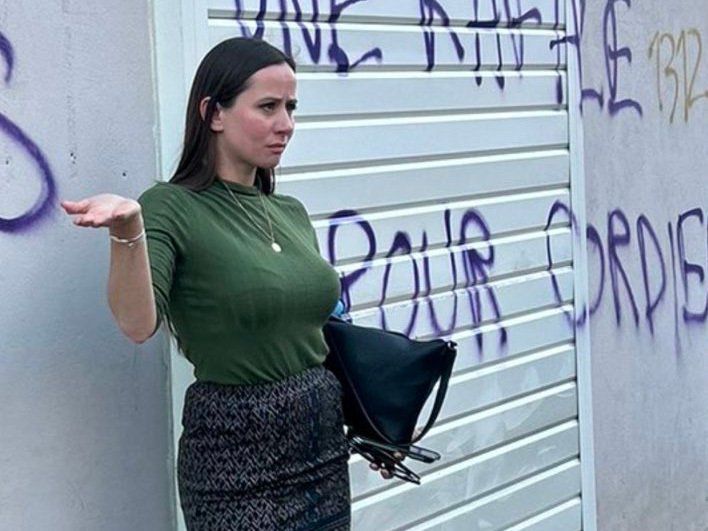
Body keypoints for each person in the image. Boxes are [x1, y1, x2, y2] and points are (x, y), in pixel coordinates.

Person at [61, 37, 396, 530]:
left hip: (320, 447)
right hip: (234, 455)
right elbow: (136, 323)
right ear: (213, 113)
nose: (286, 124)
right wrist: (127, 230)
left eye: (290, 107)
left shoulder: (290, 212)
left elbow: (320, 334)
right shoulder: (171, 206)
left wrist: (374, 420)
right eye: (268, 107)